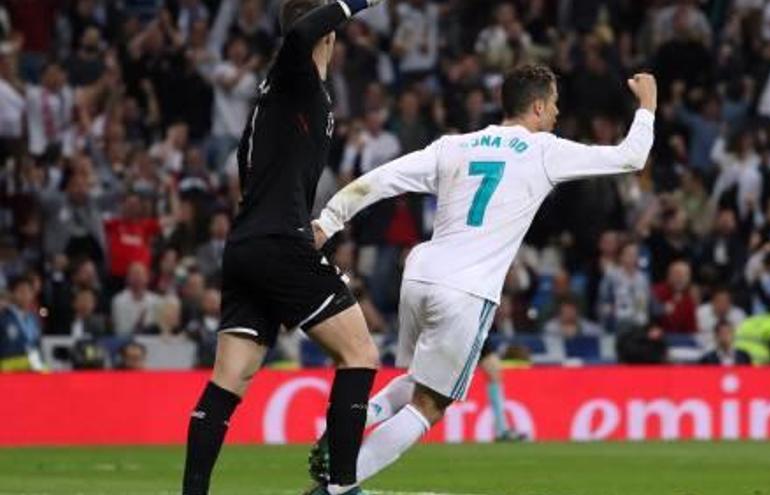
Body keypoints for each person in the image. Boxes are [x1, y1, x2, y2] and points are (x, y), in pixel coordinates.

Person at [309, 65, 656, 492]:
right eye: (555, 105)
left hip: (419, 275)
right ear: (538, 106)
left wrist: (329, 219)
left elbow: (383, 179)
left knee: (418, 380)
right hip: (465, 290)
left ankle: (342, 428)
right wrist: (648, 105)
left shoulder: (454, 146)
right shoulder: (543, 150)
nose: (558, 113)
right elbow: (631, 157)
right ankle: (339, 485)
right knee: (430, 405)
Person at [181, 2, 387, 495]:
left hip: (247, 246)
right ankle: (341, 487)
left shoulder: (269, 102)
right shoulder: (294, 77)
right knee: (360, 354)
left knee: (231, 377)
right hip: (278, 244)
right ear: (329, 34)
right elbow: (298, 39)